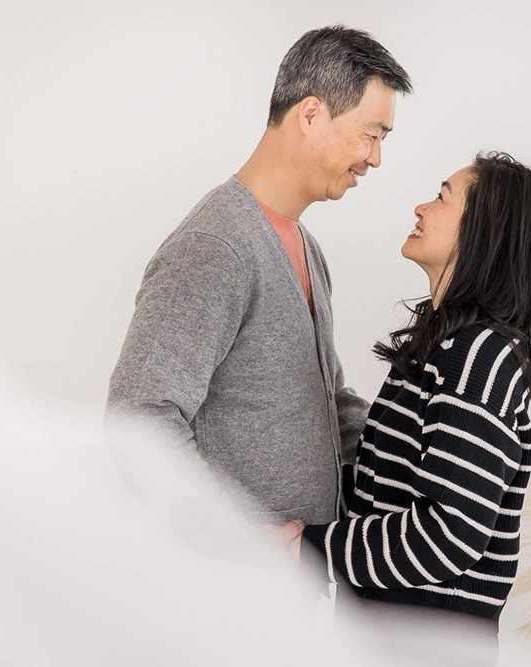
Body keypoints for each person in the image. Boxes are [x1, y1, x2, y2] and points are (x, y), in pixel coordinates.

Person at [105, 26, 412, 527]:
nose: (375, 156)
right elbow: (139, 419)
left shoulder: (306, 248)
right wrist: (239, 540)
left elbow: (325, 404)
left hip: (291, 589)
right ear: (310, 115)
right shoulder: (215, 247)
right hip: (227, 590)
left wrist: (425, 447)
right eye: (372, 134)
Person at [282, 152, 531, 663]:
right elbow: (388, 490)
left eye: (442, 197)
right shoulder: (449, 345)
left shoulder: (478, 355)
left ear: (486, 232)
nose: (420, 207)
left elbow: (449, 532)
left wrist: (310, 547)